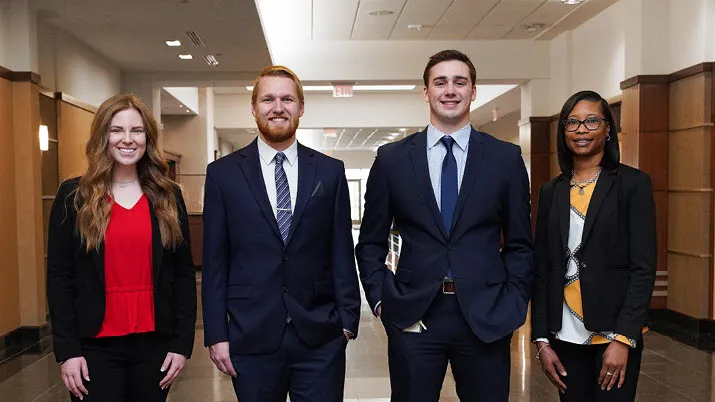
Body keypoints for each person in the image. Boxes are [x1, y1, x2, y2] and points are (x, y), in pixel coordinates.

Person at [356, 49, 533, 401]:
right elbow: (370, 242)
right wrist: (381, 300)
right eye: (440, 82)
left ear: (473, 90)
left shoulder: (504, 159)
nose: (450, 90)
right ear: (426, 92)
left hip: (486, 315)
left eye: (459, 82)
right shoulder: (392, 160)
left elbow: (519, 243)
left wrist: (514, 302)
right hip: (414, 316)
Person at [201, 65, 360, 402]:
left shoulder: (329, 172)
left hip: (320, 337)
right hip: (250, 334)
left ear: (301, 107)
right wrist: (217, 334)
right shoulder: (223, 175)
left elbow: (341, 251)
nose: (278, 107)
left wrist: (347, 321)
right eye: (268, 99)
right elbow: (215, 261)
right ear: (255, 107)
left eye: (287, 99)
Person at [47, 94, 197, 402]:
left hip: (155, 345)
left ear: (148, 138)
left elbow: (183, 275)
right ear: (103, 135)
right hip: (93, 347)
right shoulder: (74, 195)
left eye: (137, 131)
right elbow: (59, 277)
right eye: (117, 130)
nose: (127, 139)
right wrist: (67, 351)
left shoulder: (169, 197)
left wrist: (182, 344)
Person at [531, 90, 656, 402]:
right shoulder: (551, 191)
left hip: (614, 333)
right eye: (572, 122)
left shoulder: (632, 184)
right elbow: (543, 268)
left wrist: (624, 339)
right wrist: (542, 339)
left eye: (591, 121)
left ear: (608, 128)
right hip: (564, 335)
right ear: (563, 131)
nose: (581, 130)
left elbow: (643, 268)